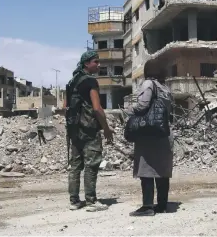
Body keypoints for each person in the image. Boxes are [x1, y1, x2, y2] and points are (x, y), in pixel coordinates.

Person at [65, 50, 115, 212]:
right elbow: (97, 108)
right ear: (87, 63)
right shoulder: (90, 82)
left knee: (75, 166)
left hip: (74, 130)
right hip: (89, 129)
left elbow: (65, 106)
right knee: (91, 165)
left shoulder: (72, 82)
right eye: (96, 62)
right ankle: (91, 201)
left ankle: (74, 201)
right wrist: (106, 128)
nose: (99, 65)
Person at [125, 59, 174, 217]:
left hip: (148, 134)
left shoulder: (148, 84)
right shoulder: (165, 88)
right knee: (161, 170)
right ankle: (162, 205)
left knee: (145, 169)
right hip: (163, 133)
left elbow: (142, 106)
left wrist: (126, 110)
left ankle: (147, 206)